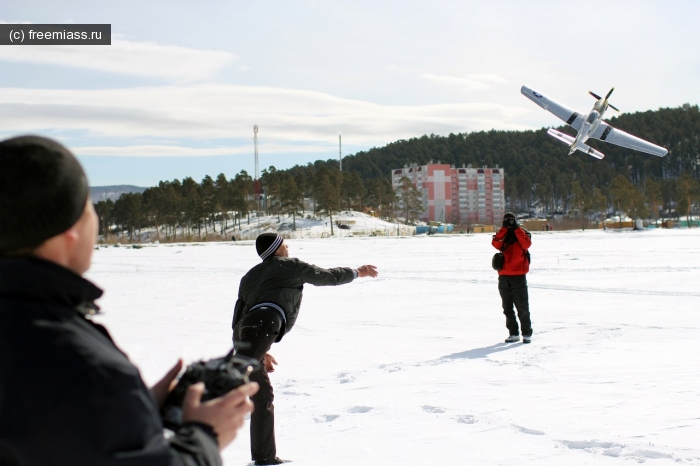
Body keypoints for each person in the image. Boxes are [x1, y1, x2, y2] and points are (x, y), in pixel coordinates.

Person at [0, 135, 258, 466]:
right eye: (88, 207)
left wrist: (134, 411)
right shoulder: (88, 372)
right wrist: (205, 437)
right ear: (70, 234)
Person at [232, 233, 378, 465]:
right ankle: (191, 410)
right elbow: (327, 276)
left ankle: (263, 458)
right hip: (264, 324)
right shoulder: (290, 266)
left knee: (262, 396)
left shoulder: (249, 277)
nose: (287, 246)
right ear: (276, 249)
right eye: (283, 243)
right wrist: (357, 272)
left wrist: (262, 350)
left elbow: (239, 320)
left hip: (252, 330)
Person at [492, 212, 533, 344]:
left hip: (518, 276)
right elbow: (495, 244)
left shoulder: (522, 233)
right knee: (507, 307)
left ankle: (526, 333)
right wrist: (504, 228)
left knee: (522, 307)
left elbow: (526, 244)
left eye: (511, 220)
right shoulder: (502, 234)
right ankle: (513, 333)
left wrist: (516, 228)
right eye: (507, 220)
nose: (509, 222)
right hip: (504, 276)